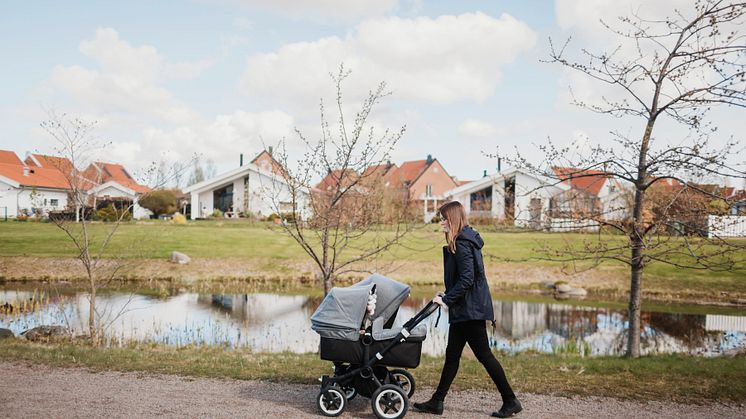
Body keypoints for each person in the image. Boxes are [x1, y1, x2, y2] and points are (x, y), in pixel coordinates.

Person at [413, 201, 522, 418]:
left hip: (470, 311)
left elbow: (467, 279)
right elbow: (464, 280)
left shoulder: (462, 242)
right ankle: (437, 401)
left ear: (452, 219)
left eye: (444, 218)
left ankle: (510, 400)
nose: (441, 221)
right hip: (465, 308)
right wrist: (448, 295)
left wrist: (447, 300)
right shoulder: (463, 240)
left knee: (484, 356)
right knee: (452, 356)